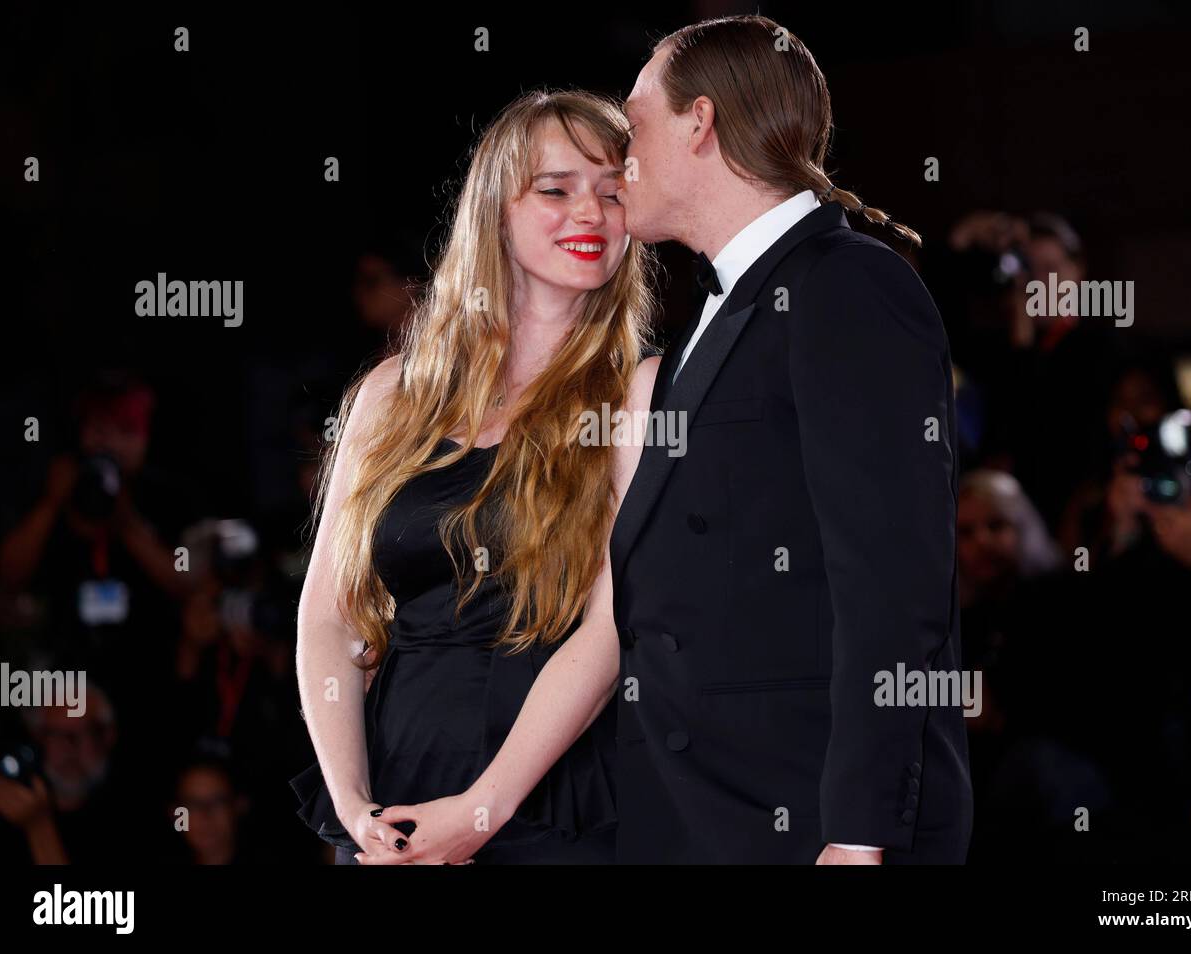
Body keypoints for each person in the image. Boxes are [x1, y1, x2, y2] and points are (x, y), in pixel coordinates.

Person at [398, 15, 972, 865]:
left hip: (806, 822)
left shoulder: (846, 282)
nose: (622, 161)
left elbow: (894, 583)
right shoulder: (719, 311)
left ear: (698, 124)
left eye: (636, 127)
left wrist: (859, 836)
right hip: (695, 820)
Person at [289, 88, 659, 864]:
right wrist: (354, 805)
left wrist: (484, 808)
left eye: (613, 190)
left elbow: (610, 629)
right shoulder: (393, 394)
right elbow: (330, 619)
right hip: (398, 789)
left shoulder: (644, 391)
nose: (589, 213)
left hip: (557, 796)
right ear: (495, 209)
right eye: (556, 189)